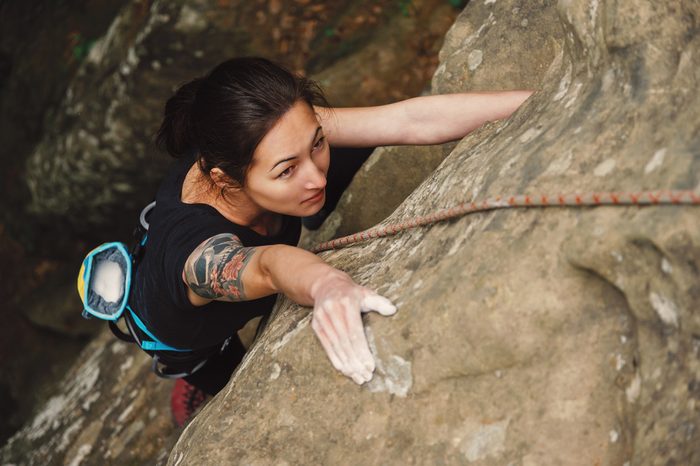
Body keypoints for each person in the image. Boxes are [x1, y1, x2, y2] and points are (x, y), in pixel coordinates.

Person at [129, 56, 532, 427]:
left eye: (317, 143)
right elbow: (269, 265)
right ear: (223, 179)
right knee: (228, 379)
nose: (315, 176)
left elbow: (409, 121)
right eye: (288, 170)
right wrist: (329, 285)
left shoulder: (274, 131)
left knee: (342, 158)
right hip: (191, 335)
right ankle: (193, 381)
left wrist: (542, 99)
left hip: (257, 203)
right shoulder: (195, 257)